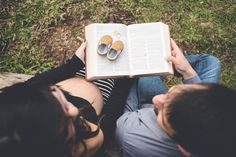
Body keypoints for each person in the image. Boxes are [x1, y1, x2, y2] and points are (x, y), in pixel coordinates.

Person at [0, 42, 133, 157]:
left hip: (78, 77)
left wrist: (74, 64)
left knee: (99, 56)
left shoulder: (20, 114)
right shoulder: (82, 144)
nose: (74, 111)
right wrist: (126, 79)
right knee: (110, 63)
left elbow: (31, 85)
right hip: (103, 92)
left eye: (53, 91)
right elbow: (108, 119)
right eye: (67, 119)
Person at [116, 39, 236, 157]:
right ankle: (174, 69)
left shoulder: (131, 135)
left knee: (148, 71)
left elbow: (128, 116)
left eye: (162, 116)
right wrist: (187, 71)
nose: (156, 98)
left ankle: (164, 67)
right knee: (211, 63)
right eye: (172, 91)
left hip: (142, 113)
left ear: (185, 150)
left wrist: (133, 77)